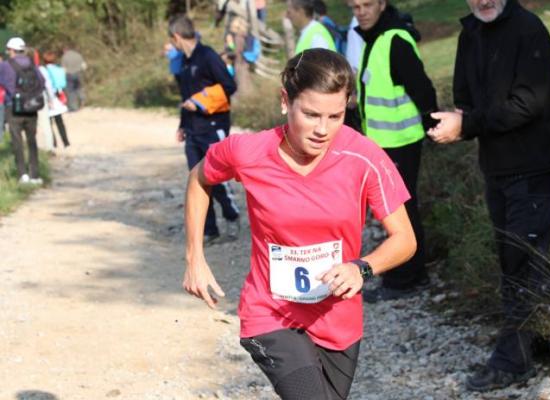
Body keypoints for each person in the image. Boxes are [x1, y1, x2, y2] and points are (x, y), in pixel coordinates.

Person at [183, 48, 417, 400]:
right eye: (310, 114)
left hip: (338, 321)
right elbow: (199, 178)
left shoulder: (364, 156)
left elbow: (405, 239)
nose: (323, 129)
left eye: (335, 116)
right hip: (271, 313)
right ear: (285, 101)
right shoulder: (249, 151)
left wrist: (362, 268)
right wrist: (195, 258)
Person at [428, 0, 550, 392]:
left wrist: (468, 123)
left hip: (532, 169)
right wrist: (456, 123)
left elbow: (529, 103)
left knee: (522, 262)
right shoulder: (470, 33)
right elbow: (464, 96)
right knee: (514, 262)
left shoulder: (529, 30)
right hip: (496, 170)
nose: (483, 1)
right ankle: (543, 337)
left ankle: (512, 362)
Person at [351, 0, 438, 302]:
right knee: (398, 211)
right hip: (385, 142)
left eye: (366, 5)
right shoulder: (375, 38)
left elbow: (422, 88)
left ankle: (405, 279)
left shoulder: (394, 39)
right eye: (355, 7)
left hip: (401, 141)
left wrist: (434, 126)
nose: (361, 12)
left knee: (401, 212)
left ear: (381, 4)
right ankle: (408, 274)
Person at [168, 14, 241, 245]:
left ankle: (232, 216)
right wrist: (182, 125)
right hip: (192, 130)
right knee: (197, 182)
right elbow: (185, 98)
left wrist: (201, 101)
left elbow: (230, 85)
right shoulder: (184, 62)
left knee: (216, 177)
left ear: (176, 37)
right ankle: (210, 230)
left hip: (213, 127)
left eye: (171, 40)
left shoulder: (208, 55)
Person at [0, 37, 45, 185]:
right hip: (32, 106)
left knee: (17, 141)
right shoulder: (32, 64)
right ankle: (35, 175)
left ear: (11, 50)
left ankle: (22, 175)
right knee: (32, 140)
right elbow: (42, 82)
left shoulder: (5, 66)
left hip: (13, 107)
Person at [40, 51, 70, 149]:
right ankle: (66, 142)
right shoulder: (60, 70)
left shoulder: (43, 70)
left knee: (49, 123)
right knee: (60, 121)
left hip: (49, 97)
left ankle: (54, 143)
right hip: (58, 96)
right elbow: (63, 83)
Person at [60, 45, 86, 111]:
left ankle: (73, 107)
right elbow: (84, 66)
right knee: (79, 88)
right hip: (78, 74)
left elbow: (64, 69)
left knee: (71, 91)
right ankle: (82, 101)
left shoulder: (64, 57)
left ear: (64, 50)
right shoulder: (78, 55)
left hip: (69, 75)